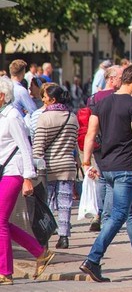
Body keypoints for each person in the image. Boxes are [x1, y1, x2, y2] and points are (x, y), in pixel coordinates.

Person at [80, 64, 132, 282]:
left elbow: (90, 134)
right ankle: (92, 259)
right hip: (125, 169)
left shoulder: (101, 102)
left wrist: (86, 162)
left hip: (106, 167)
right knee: (118, 216)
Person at [0, 76, 55, 284]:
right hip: (4, 171)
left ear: (2, 96)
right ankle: (40, 252)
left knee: (0, 221)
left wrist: (28, 178)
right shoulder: (2, 116)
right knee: (2, 221)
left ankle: (5, 272)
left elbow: (25, 148)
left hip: (14, 172)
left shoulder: (13, 116)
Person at [32, 84, 79, 250]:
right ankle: (64, 236)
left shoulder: (44, 118)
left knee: (48, 202)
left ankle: (47, 234)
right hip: (67, 165)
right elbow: (74, 143)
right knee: (65, 203)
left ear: (52, 100)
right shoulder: (72, 117)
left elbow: (38, 146)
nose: (43, 100)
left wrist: (36, 166)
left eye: (45, 97)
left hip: (49, 166)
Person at [78, 64, 124, 232]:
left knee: (101, 179)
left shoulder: (93, 98)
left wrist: (86, 158)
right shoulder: (119, 97)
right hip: (114, 143)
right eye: (121, 78)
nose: (123, 81)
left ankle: (97, 214)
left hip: (97, 143)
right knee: (110, 182)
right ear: (111, 79)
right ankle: (106, 218)